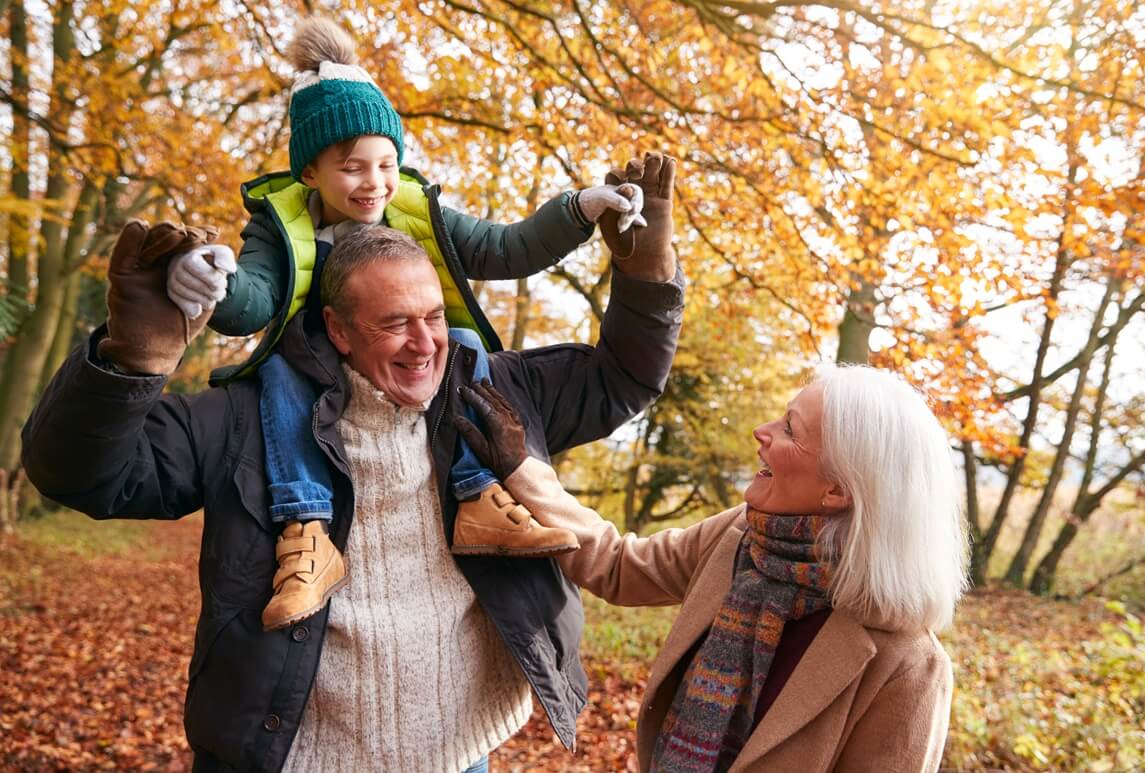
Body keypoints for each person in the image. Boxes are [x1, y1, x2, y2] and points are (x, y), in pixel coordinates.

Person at [22, 152, 683, 771]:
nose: (426, 343)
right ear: (337, 327)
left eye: (432, 315)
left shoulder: (491, 393)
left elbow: (621, 379)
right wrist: (129, 363)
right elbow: (83, 473)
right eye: (396, 322)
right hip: (301, 757)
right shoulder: (248, 417)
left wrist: (647, 276)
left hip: (462, 753)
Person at [162, 18, 648, 631]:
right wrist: (214, 284)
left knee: (466, 344)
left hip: (399, 359)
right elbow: (253, 301)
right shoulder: (280, 226)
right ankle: (307, 531)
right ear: (309, 173)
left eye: (387, 164)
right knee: (278, 379)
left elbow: (506, 249)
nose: (375, 184)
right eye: (353, 167)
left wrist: (577, 210)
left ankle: (478, 497)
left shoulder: (417, 212)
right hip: (318, 357)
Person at [455, 365, 969, 772]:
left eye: (790, 429)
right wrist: (523, 469)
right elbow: (619, 565)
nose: (760, 432)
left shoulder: (908, 669)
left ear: (838, 490)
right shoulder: (740, 535)